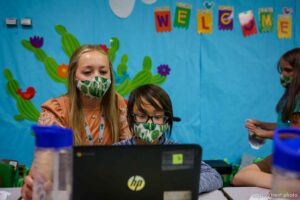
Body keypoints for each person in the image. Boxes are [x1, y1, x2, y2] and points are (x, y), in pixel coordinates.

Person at [21, 44, 132, 199]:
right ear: (74, 76)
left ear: (110, 76)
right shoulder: (56, 109)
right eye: (88, 72)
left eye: (103, 71)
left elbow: (132, 158)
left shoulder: (121, 106)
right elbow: (44, 165)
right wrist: (33, 187)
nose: (97, 77)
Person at [114, 84, 223, 193]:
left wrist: (185, 185)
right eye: (142, 116)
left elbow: (214, 176)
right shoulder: (116, 152)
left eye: (157, 117)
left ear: (166, 120)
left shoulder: (176, 152)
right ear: (130, 119)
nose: (150, 123)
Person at [232, 48, 300, 188]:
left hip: (294, 156)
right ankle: (291, 187)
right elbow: (284, 126)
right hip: (285, 154)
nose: (282, 75)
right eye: (281, 71)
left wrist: (263, 134)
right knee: (240, 177)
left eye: (287, 70)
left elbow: (294, 135)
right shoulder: (292, 99)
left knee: (243, 176)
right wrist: (260, 124)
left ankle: (293, 187)